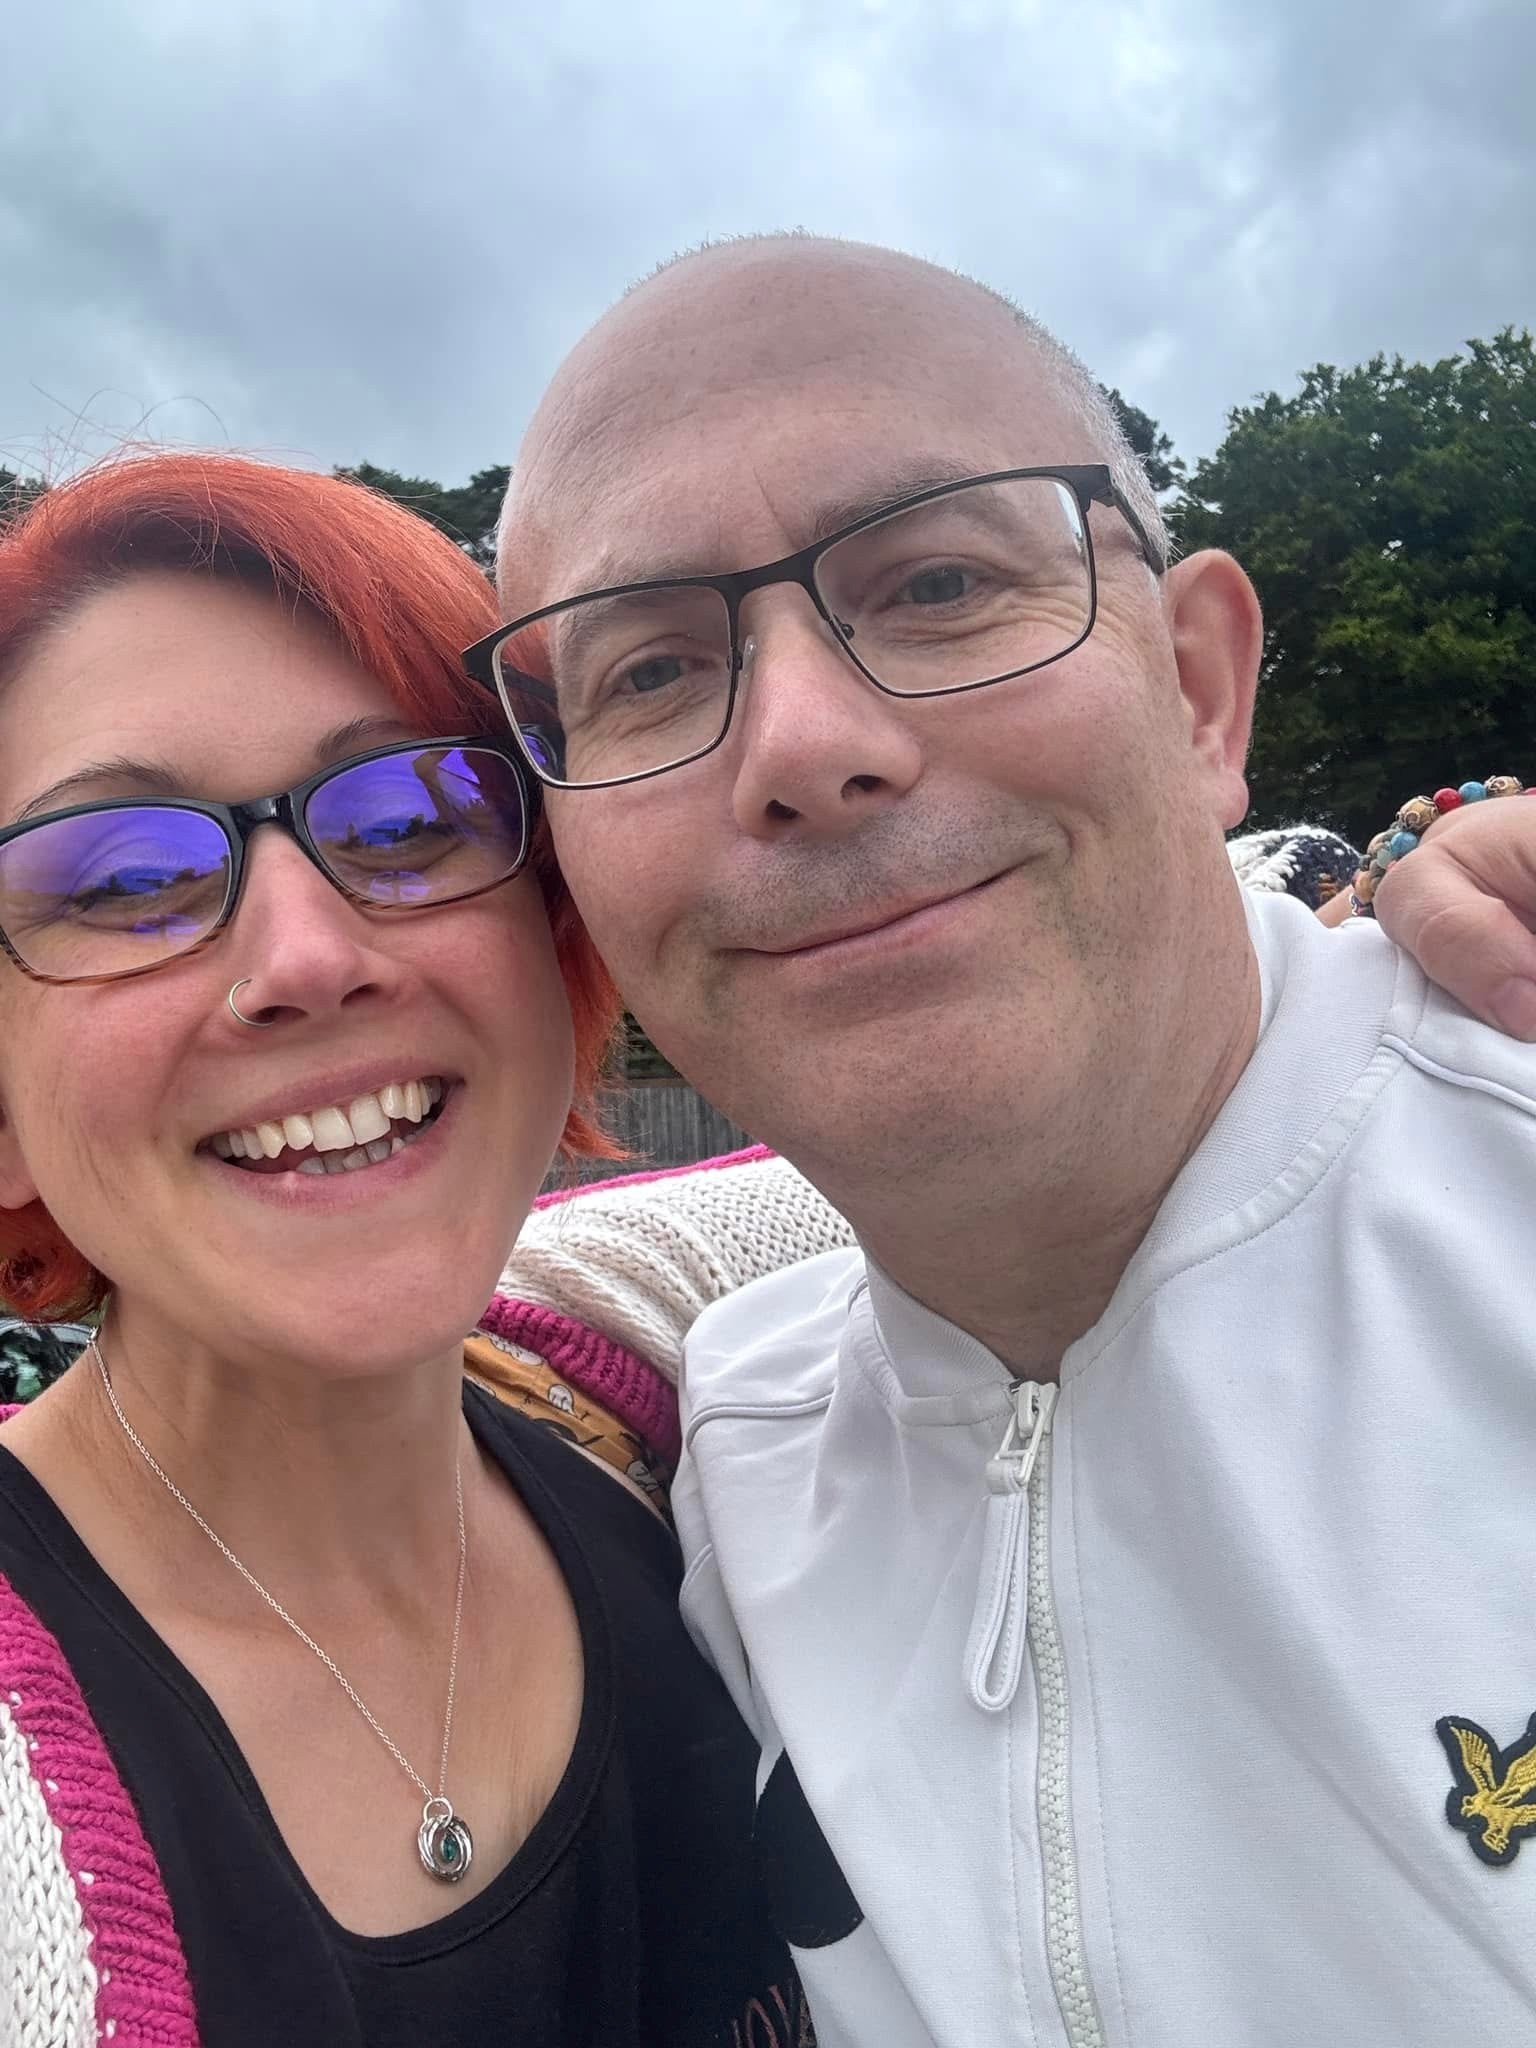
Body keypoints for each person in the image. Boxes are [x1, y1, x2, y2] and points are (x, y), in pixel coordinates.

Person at [478, 235, 1536, 2046]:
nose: (805, 746)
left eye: (943, 579)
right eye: (649, 674)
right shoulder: (724, 1455)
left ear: (1203, 690)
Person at [0, 454, 807, 2046]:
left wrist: (1407, 925)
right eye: (122, 877)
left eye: (410, 812)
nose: (304, 956)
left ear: (560, 931)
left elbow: (1029, 1067)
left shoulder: (637, 1334)